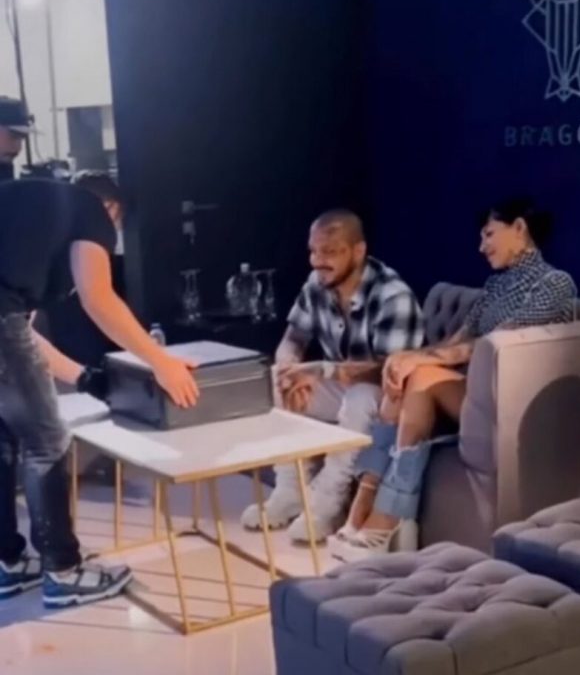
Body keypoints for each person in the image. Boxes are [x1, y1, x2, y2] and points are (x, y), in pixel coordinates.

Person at [330, 198, 576, 560]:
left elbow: (494, 343)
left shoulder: (554, 284)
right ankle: (368, 506)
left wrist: (418, 361)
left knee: (421, 374)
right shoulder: (496, 285)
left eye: (489, 234)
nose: (481, 246)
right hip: (470, 393)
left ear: (520, 228)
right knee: (406, 380)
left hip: (510, 404)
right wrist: (404, 359)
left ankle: (389, 517)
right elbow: (456, 340)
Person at [0, 173, 200, 607]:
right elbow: (98, 298)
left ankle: (8, 562)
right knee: (47, 443)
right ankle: (63, 572)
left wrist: (85, 377)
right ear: (113, 210)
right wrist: (161, 362)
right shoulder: (89, 209)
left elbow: (20, 336)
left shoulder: (28, 214)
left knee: (5, 439)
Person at [240, 210, 424, 544]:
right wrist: (289, 370)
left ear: (358, 251)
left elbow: (389, 370)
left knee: (359, 397)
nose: (317, 261)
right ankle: (290, 490)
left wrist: (321, 370)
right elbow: (293, 338)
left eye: (329, 252)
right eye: (313, 251)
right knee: (275, 380)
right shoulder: (317, 283)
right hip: (344, 384)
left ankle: (327, 504)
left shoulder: (392, 296)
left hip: (391, 399)